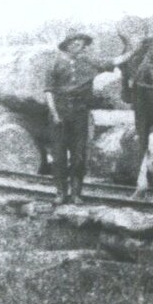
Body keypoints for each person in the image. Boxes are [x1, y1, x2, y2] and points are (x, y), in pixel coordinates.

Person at [42, 30, 107, 203]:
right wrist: (55, 114)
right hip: (60, 112)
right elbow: (49, 92)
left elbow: (111, 62)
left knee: (79, 155)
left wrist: (132, 51)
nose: (82, 48)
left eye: (83, 45)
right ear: (69, 45)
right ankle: (60, 193)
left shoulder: (88, 65)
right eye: (78, 44)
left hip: (80, 112)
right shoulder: (54, 65)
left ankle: (76, 193)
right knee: (59, 156)